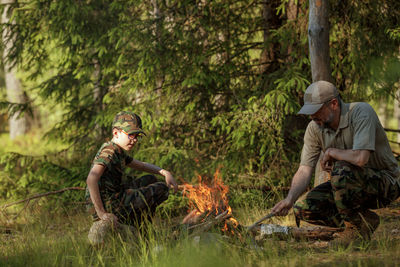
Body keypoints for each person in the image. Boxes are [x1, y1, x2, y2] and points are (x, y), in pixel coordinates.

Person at [271, 81, 400, 245]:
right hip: (348, 187)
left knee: (341, 169)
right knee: (303, 208)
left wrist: (332, 152)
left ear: (333, 104)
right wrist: (289, 199)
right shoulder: (314, 128)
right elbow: (304, 170)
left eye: (316, 111)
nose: (312, 116)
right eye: (309, 112)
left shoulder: (361, 112)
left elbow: (361, 158)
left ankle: (355, 231)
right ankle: (363, 221)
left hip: (386, 184)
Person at [85, 111, 178, 245]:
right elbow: (91, 179)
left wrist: (164, 172)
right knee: (161, 189)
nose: (134, 140)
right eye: (130, 135)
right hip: (109, 205)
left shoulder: (118, 150)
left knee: (150, 179)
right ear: (116, 133)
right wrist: (102, 214)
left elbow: (141, 165)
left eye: (137, 136)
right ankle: (142, 232)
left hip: (116, 198)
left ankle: (140, 229)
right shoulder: (109, 151)